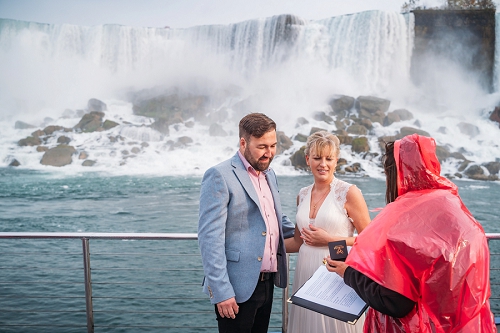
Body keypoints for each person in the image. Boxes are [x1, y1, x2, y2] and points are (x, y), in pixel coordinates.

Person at [325, 133, 497, 332]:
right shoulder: (454, 206)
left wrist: (348, 273)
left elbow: (394, 302)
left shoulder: (400, 218)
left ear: (396, 173)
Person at [198, 112, 295, 333]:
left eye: (273, 146)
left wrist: (313, 231)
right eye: (262, 146)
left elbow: (274, 218)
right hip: (235, 289)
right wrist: (221, 291)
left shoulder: (269, 174)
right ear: (243, 142)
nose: (269, 153)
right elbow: (209, 239)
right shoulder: (219, 175)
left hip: (268, 283)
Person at [285, 131, 371, 333]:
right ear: (307, 159)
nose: (323, 164)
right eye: (317, 158)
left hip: (336, 274)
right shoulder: (302, 194)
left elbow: (370, 240)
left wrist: (331, 240)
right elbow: (298, 242)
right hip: (305, 275)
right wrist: (262, 245)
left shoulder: (348, 192)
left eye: (328, 158)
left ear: (336, 161)